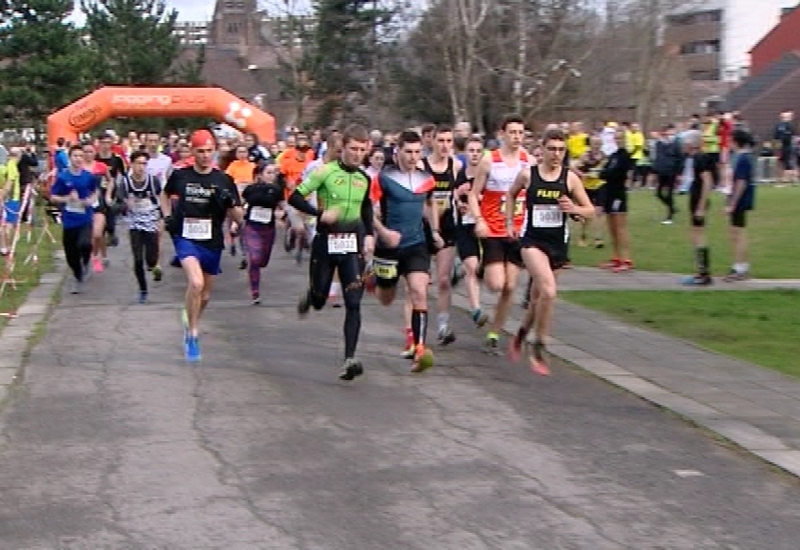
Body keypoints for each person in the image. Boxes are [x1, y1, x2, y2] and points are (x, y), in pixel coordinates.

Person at [289, 124, 374, 381]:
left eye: (362, 149)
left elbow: (366, 207)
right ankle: (311, 295)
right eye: (353, 149)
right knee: (319, 298)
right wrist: (319, 214)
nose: (358, 154)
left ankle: (350, 358)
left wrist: (369, 234)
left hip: (352, 243)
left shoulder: (364, 178)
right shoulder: (325, 172)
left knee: (354, 302)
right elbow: (295, 197)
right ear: (343, 148)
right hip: (326, 241)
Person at [507, 127, 595, 375]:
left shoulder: (570, 179)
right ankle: (540, 344)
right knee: (549, 290)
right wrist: (510, 223)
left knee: (538, 299)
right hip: (531, 240)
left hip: (557, 244)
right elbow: (511, 195)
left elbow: (590, 210)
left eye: (561, 150)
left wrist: (574, 209)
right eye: (551, 149)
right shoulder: (528, 175)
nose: (556, 154)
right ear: (542, 150)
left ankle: (521, 333)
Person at [161, 129, 244, 362]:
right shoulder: (181, 175)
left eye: (209, 151)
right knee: (195, 283)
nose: (205, 156)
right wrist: (167, 216)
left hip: (212, 239)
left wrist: (230, 203)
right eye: (200, 151)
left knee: (205, 295)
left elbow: (239, 216)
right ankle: (193, 334)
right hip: (185, 235)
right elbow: (164, 195)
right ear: (193, 151)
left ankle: (191, 314)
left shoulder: (224, 180)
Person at [370, 129, 441, 373]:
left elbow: (430, 203)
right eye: (408, 152)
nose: (412, 157)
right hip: (388, 247)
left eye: (417, 152)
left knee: (419, 292)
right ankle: (373, 279)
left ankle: (420, 349)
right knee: (386, 299)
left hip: (416, 245)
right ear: (397, 151)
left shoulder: (426, 178)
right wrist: (383, 232)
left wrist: (434, 231)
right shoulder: (383, 178)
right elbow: (367, 210)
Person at [468, 114, 530, 354]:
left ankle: (494, 333)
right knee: (496, 284)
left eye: (520, 133)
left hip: (516, 230)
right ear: (502, 134)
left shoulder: (528, 161)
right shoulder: (489, 161)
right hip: (493, 229)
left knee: (510, 286)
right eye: (512, 132)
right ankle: (483, 269)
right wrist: (479, 219)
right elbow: (474, 194)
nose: (516, 137)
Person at [421, 124, 462, 345]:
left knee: (444, 280)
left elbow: (457, 194)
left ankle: (444, 326)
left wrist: (461, 202)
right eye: (441, 141)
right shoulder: (422, 166)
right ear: (432, 142)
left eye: (449, 141)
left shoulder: (455, 166)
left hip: (447, 228)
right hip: (424, 228)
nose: (445, 145)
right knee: (420, 282)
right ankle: (415, 328)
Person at [49, 145, 97, 294]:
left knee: (85, 243)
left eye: (80, 156)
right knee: (71, 253)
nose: (78, 159)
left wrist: (90, 200)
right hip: (69, 220)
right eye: (75, 156)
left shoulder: (88, 176)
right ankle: (78, 275)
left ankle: (86, 260)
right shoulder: (63, 177)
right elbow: (53, 197)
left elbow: (95, 192)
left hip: (85, 217)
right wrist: (67, 198)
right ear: (69, 158)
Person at [118, 150, 163, 303]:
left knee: (150, 259)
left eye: (144, 163)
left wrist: (162, 216)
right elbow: (119, 200)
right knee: (137, 259)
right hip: (134, 222)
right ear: (132, 164)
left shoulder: (153, 181)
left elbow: (161, 197)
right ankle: (143, 289)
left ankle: (154, 266)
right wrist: (125, 203)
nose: (141, 167)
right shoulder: (125, 182)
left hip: (150, 220)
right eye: (138, 163)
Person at [242, 163, 285, 303]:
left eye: (273, 173)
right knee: (254, 259)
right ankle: (255, 292)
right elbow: (240, 205)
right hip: (252, 227)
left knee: (262, 261)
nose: (272, 175)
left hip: (268, 229)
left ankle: (256, 267)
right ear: (260, 175)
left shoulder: (277, 190)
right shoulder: (250, 189)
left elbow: (283, 207)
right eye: (268, 172)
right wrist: (236, 223)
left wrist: (282, 215)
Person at [680, 130, 715, 286]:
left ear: (690, 144)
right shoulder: (694, 158)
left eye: (685, 142)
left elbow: (708, 182)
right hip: (695, 199)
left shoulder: (700, 158)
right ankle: (700, 272)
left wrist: (701, 207)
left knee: (699, 236)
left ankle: (704, 274)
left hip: (699, 201)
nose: (683, 145)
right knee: (695, 235)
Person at [724, 129, 756, 281]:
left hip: (740, 201)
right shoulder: (738, 157)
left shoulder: (743, 158)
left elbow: (741, 183)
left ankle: (740, 268)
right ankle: (740, 266)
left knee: (738, 234)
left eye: (730, 140)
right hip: (736, 199)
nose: (729, 143)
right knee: (735, 234)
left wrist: (732, 203)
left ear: (736, 142)